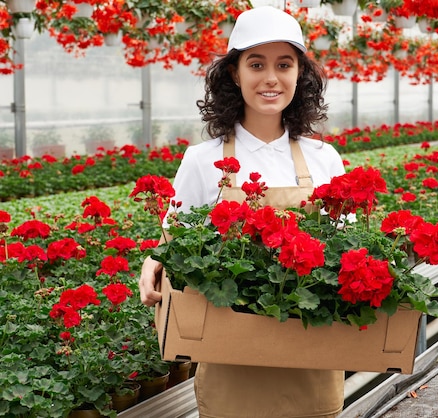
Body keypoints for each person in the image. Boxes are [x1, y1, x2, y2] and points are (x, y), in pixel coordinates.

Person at [138, 6, 345, 418]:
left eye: (284, 64)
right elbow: (173, 238)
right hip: (229, 362)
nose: (271, 78)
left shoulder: (325, 159)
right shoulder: (202, 159)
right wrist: (153, 260)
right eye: (256, 64)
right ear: (234, 73)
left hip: (311, 360)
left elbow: (346, 254)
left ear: (299, 73)